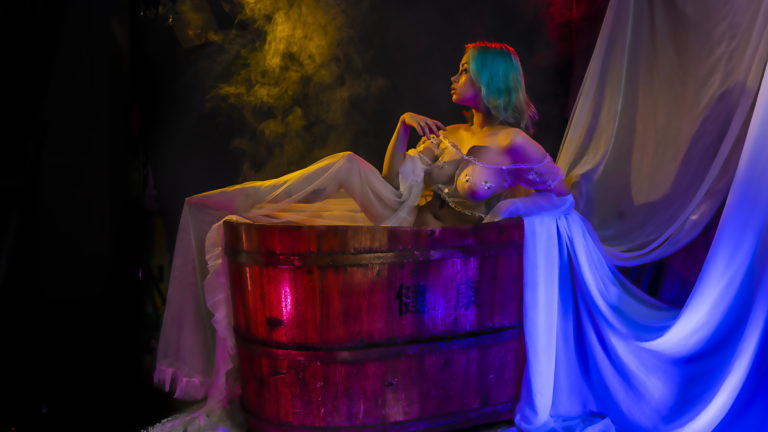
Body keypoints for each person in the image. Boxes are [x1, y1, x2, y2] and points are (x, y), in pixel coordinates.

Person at [149, 41, 575, 432]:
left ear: (489, 79)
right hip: (404, 226)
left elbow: (561, 196)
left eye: (464, 70)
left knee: (407, 346)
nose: (454, 77)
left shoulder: (514, 143)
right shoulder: (449, 133)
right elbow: (392, 181)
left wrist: (509, 211)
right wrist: (403, 126)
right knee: (347, 164)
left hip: (450, 258)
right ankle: (233, 207)